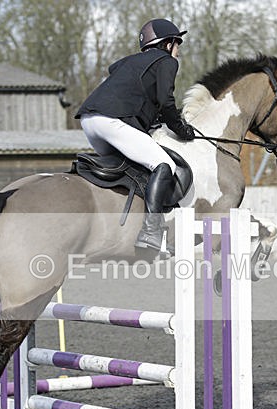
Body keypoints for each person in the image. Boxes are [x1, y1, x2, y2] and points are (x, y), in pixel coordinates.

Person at [75, 18, 196, 251]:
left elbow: (141, 100)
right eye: (177, 44)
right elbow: (166, 101)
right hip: (112, 121)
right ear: (167, 44)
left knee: (134, 167)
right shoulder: (166, 61)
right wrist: (181, 129)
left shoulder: (129, 63)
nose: (178, 51)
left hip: (90, 122)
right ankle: (151, 232)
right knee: (163, 164)